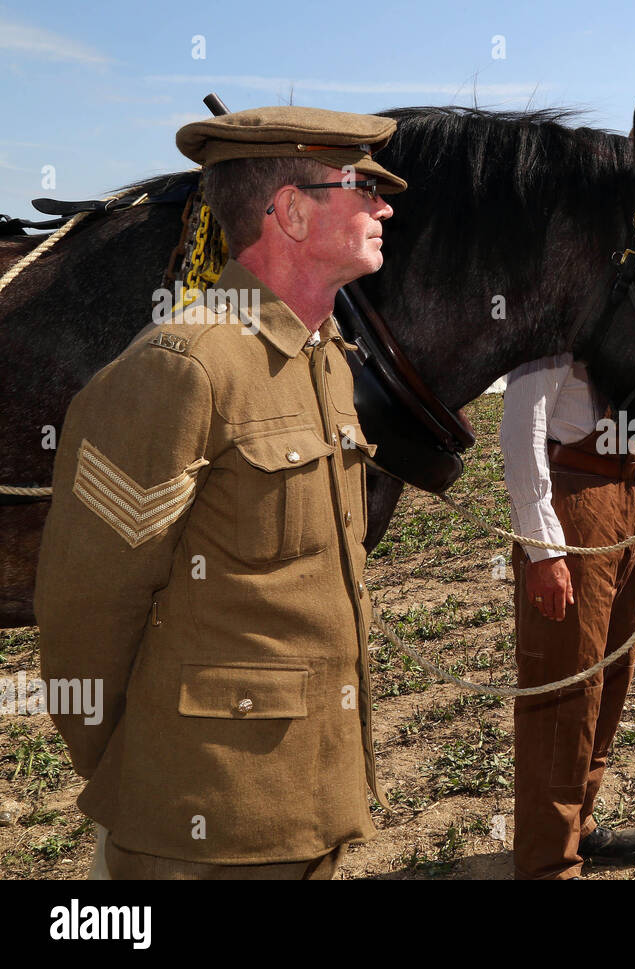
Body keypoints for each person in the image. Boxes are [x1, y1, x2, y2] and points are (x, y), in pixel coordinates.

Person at [34, 106, 408, 879]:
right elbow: (88, 603)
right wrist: (144, 771)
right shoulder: (184, 366)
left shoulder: (328, 357)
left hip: (310, 803)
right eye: (360, 187)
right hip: (199, 826)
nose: (384, 205)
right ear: (294, 211)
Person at [501, 355, 635, 879]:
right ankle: (547, 861)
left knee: (611, 676)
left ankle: (579, 824)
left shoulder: (634, 308)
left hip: (631, 493)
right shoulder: (566, 305)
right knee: (565, 683)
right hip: (575, 498)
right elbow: (523, 418)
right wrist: (544, 547)